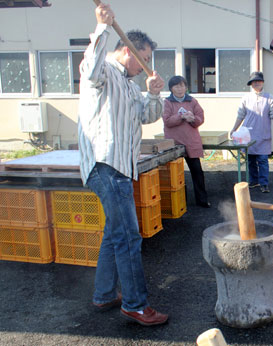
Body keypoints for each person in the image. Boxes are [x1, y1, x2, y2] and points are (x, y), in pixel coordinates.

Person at [77, 3, 168, 326]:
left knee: (115, 233)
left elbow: (148, 116)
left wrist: (154, 95)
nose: (146, 65)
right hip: (105, 164)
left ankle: (104, 294)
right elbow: (88, 68)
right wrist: (102, 27)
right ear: (128, 52)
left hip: (119, 167)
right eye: (143, 58)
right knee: (129, 237)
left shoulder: (129, 86)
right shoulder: (103, 73)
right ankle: (135, 304)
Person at [230, 71, 273, 193]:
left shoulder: (270, 98)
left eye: (259, 81)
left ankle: (264, 183)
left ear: (263, 82)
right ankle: (253, 181)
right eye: (254, 82)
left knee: (263, 160)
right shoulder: (246, 98)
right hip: (248, 134)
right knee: (250, 160)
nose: (257, 83)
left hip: (263, 133)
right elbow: (240, 115)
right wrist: (234, 128)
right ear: (251, 84)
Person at [162, 75, 211, 208]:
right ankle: (178, 202)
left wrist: (193, 119)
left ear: (186, 87)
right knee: (174, 173)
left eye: (182, 85)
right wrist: (181, 116)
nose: (180, 88)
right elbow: (167, 121)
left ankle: (202, 200)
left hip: (191, 141)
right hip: (174, 143)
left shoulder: (192, 101)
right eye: (177, 86)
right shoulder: (167, 102)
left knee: (197, 172)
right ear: (171, 88)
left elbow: (200, 118)